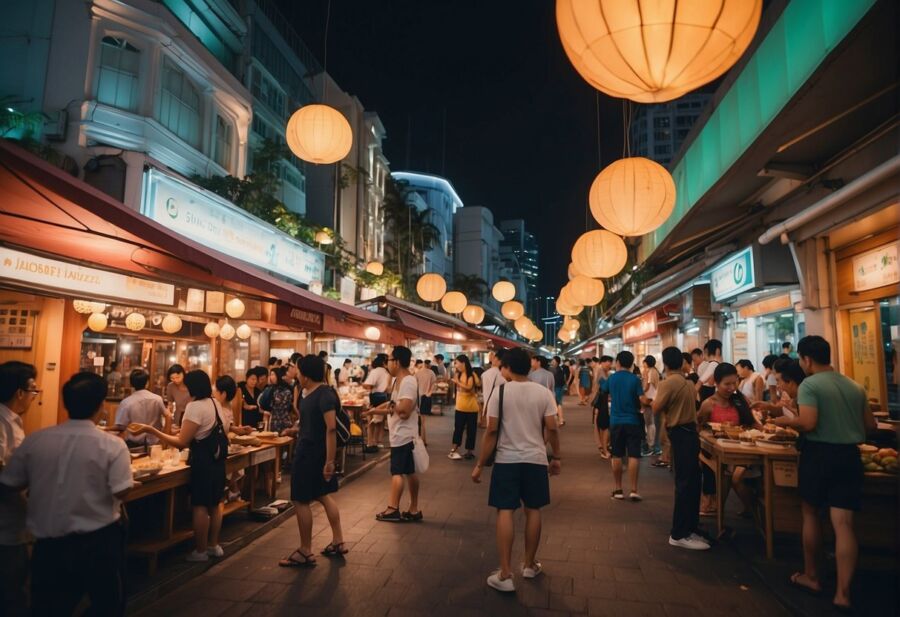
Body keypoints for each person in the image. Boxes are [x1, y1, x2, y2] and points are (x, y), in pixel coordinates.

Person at [1, 372, 132, 616]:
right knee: (107, 606)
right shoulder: (112, 445)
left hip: (49, 545)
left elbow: (9, 483)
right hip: (99, 542)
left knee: (48, 607)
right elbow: (122, 490)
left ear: (65, 403)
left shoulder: (36, 441)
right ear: (101, 405)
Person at [769, 336, 874, 612]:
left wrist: (786, 421)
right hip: (850, 457)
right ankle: (843, 592)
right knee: (844, 524)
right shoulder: (853, 385)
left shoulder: (810, 385)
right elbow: (870, 425)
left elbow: (808, 422)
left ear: (806, 359)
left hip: (819, 455)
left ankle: (812, 576)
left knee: (810, 513)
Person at [472, 347, 561, 593]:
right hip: (535, 459)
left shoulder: (499, 393)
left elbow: (491, 431)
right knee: (533, 510)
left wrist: (479, 465)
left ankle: (505, 573)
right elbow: (552, 428)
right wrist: (557, 457)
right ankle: (530, 565)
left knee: (505, 511)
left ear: (508, 368)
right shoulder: (543, 393)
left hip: (506, 460)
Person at [131, 370, 228, 562]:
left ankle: (200, 552)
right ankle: (213, 546)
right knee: (215, 504)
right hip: (218, 462)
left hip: (202, 463)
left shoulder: (194, 407)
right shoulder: (215, 403)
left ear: (191, 387)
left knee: (200, 505)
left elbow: (182, 442)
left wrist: (152, 430)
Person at [278, 355, 346, 568]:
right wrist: (295, 428)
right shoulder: (313, 393)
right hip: (312, 450)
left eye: (298, 370)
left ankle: (305, 550)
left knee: (300, 500)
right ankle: (338, 541)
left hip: (311, 454)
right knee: (322, 495)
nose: (296, 374)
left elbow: (331, 428)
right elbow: (313, 424)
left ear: (305, 375)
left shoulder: (323, 394)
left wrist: (329, 461)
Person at [652, 347, 709, 551]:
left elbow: (656, 407)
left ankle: (680, 533)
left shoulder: (668, 383)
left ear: (665, 364)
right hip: (689, 434)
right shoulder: (688, 382)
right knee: (692, 482)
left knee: (686, 483)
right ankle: (685, 530)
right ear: (683, 363)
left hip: (681, 434)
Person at [364, 346, 422, 523]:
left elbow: (403, 410)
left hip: (403, 435)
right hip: (402, 434)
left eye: (389, 360)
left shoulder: (408, 382)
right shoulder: (399, 380)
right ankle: (413, 510)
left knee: (397, 472)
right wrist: (374, 410)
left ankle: (393, 508)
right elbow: (394, 404)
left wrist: (387, 409)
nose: (387, 363)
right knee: (410, 472)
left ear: (396, 361)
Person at [697, 363, 761, 518]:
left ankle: (754, 511)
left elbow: (754, 424)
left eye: (734, 383)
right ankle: (723, 510)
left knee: (733, 475)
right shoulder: (708, 404)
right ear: (716, 383)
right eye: (727, 384)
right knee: (726, 472)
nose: (732, 387)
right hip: (717, 453)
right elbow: (699, 428)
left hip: (743, 452)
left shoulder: (740, 400)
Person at [0, 362, 38, 616]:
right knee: (11, 593)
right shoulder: (3, 423)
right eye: (34, 390)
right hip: (6, 524)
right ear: (20, 393)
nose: (35, 397)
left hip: (14, 521)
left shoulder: (12, 421)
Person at [602, 351, 648, 501]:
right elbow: (641, 398)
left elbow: (604, 391)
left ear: (618, 362)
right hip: (633, 421)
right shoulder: (635, 379)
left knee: (617, 455)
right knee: (634, 455)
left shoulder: (612, 378)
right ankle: (634, 490)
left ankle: (618, 489)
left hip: (616, 422)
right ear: (632, 364)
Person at [113, 369, 168, 446]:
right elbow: (168, 416)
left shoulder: (126, 402)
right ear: (147, 383)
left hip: (133, 445)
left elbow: (120, 427)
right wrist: (165, 436)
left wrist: (106, 429)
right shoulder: (157, 399)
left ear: (131, 384)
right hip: (155, 444)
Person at [449, 355, 480, 460]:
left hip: (471, 408)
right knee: (458, 429)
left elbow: (469, 387)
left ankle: (469, 451)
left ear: (463, 363)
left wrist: (457, 382)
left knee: (471, 431)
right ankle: (454, 449)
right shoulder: (458, 374)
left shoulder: (472, 375)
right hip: (460, 407)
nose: (456, 365)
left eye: (457, 363)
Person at [363, 354, 391, 453]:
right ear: (384, 362)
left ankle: (370, 443)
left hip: (375, 398)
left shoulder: (375, 371)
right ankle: (378, 442)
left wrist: (365, 386)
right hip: (384, 397)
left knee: (371, 421)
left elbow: (368, 384)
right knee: (380, 422)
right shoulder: (387, 372)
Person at [592, 356, 613, 458]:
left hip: (603, 402)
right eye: (608, 362)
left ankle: (604, 448)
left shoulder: (606, 372)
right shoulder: (600, 371)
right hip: (601, 403)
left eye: (611, 362)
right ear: (603, 362)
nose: (610, 364)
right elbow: (604, 387)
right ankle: (604, 450)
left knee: (603, 427)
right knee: (604, 427)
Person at [641, 355, 661, 458]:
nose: (643, 364)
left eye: (644, 362)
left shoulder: (651, 371)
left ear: (647, 362)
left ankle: (652, 446)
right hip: (652, 399)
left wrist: (640, 392)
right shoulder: (654, 371)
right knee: (651, 423)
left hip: (650, 400)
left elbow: (647, 386)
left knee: (650, 423)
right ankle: (654, 446)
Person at [480, 350, 506, 428]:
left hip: (489, 409)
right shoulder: (504, 376)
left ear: (497, 359)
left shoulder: (484, 374)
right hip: (501, 410)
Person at [269, 366, 295, 435]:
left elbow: (278, 406)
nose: (271, 377)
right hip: (276, 420)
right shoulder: (272, 389)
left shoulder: (283, 390)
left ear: (278, 375)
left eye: (273, 374)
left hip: (282, 420)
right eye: (270, 375)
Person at [550, 356, 567, 426]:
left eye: (553, 361)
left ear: (557, 362)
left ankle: (561, 419)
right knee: (558, 403)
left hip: (557, 388)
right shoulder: (559, 369)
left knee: (558, 403)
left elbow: (559, 380)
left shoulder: (557, 370)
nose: (552, 362)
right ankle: (560, 419)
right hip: (559, 387)